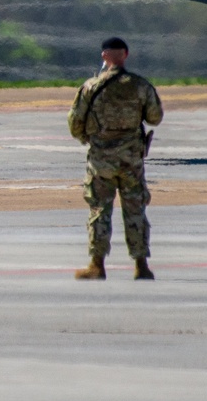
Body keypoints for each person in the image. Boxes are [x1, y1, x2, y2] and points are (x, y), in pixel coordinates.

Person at [67, 37, 163, 280]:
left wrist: (91, 140)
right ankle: (141, 265)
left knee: (100, 209)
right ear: (126, 55)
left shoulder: (90, 87)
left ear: (104, 56)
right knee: (135, 209)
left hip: (102, 160)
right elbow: (155, 117)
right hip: (131, 159)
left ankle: (97, 265)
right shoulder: (141, 86)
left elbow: (75, 123)